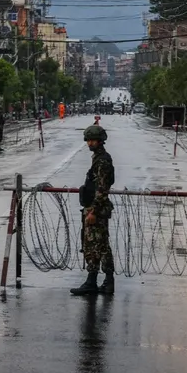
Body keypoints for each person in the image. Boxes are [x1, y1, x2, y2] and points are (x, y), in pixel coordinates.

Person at [70, 123, 115, 296]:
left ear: (100, 140)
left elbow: (102, 189)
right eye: (88, 140)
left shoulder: (102, 160)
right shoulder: (98, 158)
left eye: (93, 140)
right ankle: (101, 281)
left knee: (97, 246)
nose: (89, 143)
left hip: (97, 210)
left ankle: (95, 281)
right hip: (95, 208)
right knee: (99, 246)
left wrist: (93, 211)